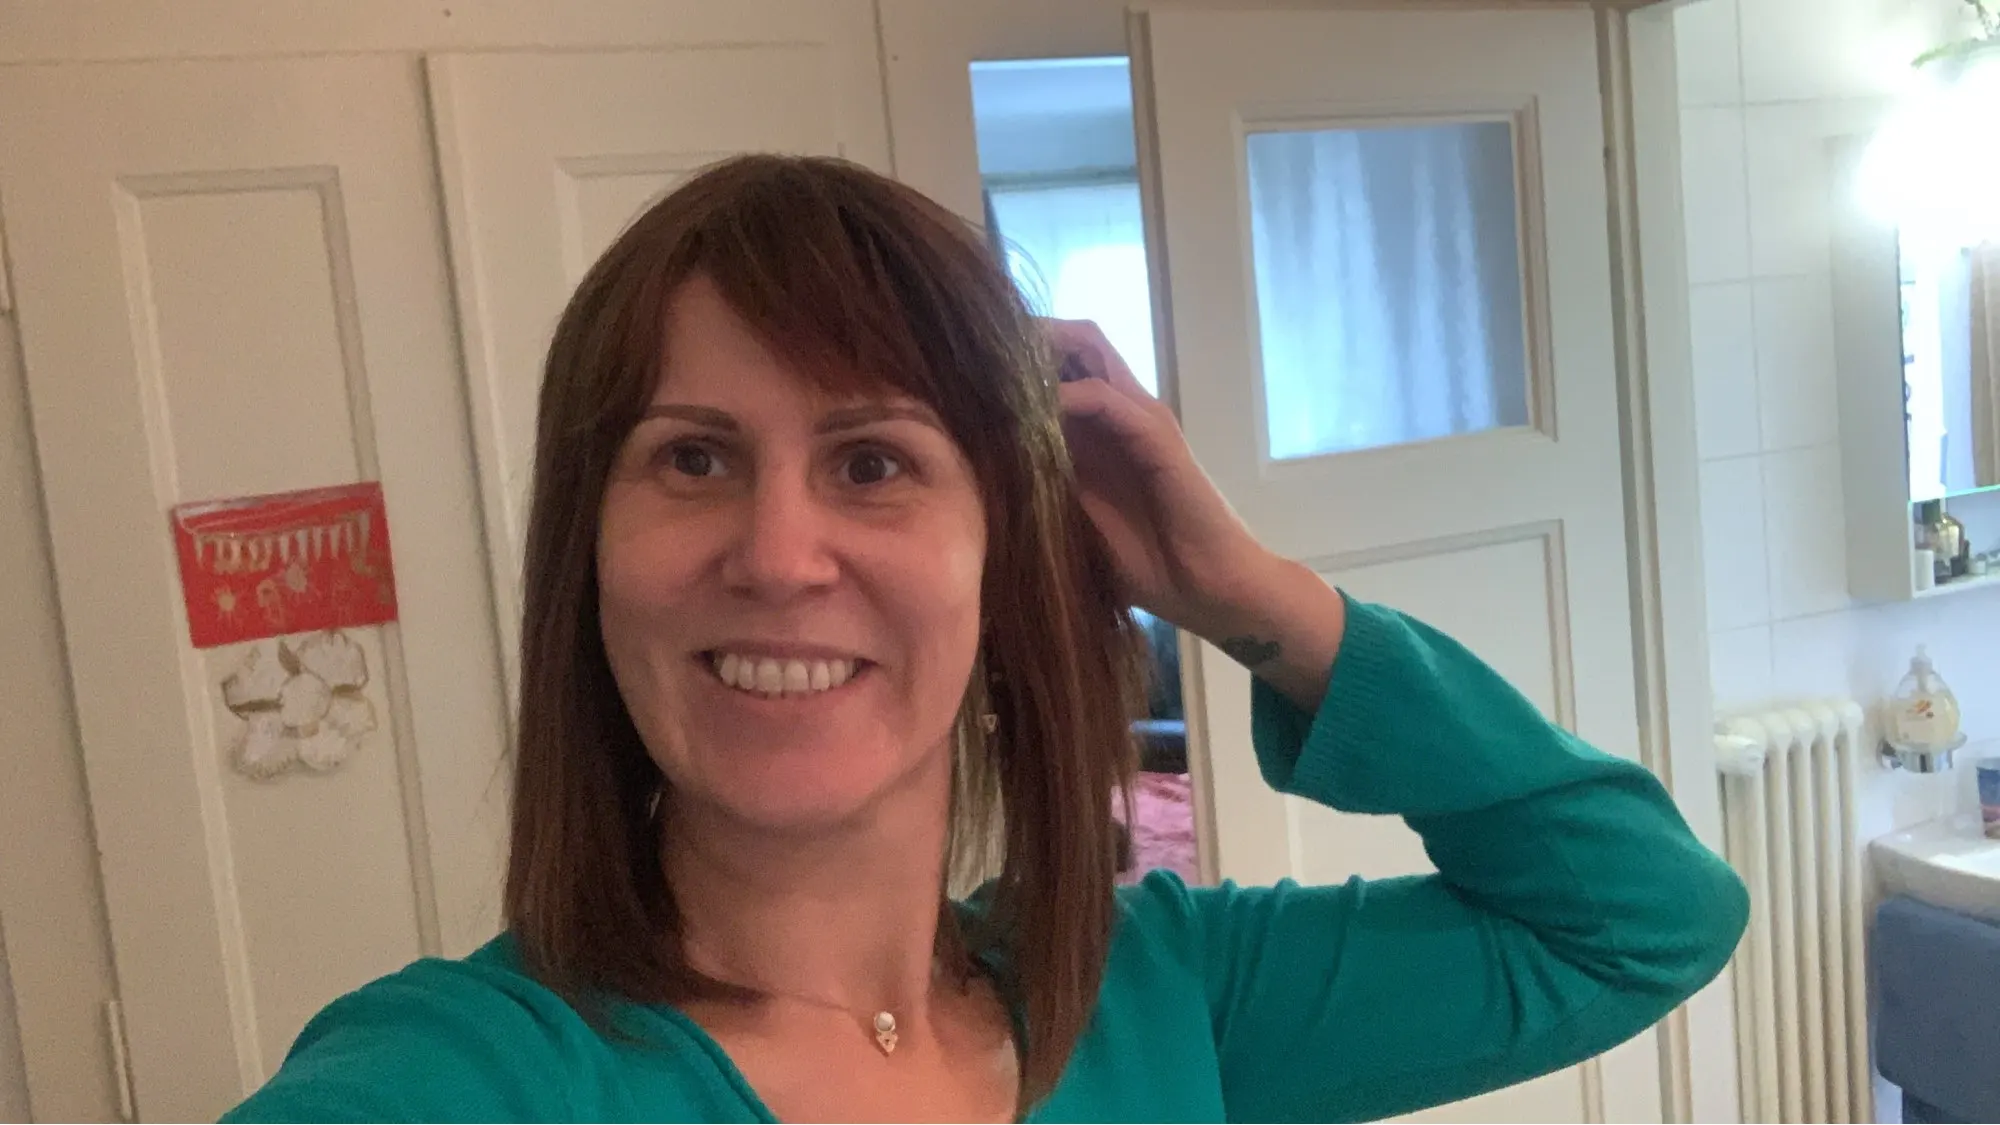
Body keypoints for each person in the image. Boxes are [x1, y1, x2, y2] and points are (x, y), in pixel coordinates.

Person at [225, 154, 1747, 1123]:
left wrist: (1248, 595)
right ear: (590, 556)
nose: (777, 555)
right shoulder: (462, 1080)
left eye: (872, 462)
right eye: (692, 457)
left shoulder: (1163, 999)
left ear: (1003, 561)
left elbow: (1642, 916)